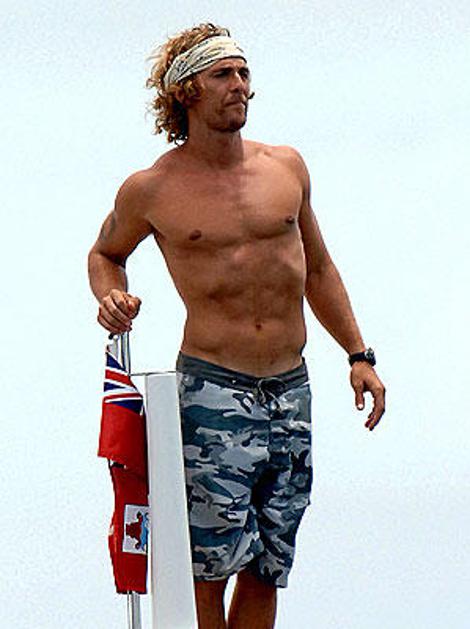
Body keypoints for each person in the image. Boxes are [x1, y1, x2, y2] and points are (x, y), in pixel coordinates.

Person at [88, 23, 386, 629]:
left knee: (269, 563)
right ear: (186, 90)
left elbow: (319, 268)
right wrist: (111, 295)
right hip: (212, 389)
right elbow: (104, 254)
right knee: (210, 563)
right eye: (223, 74)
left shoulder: (286, 168)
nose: (240, 85)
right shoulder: (153, 189)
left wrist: (359, 354)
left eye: (244, 73)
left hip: (290, 388)